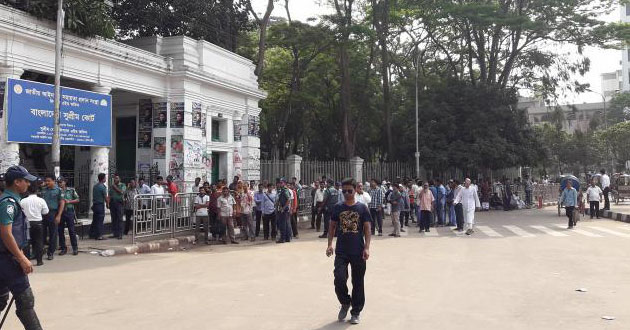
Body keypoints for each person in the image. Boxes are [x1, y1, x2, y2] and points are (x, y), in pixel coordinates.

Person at [0, 166, 44, 329]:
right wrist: (22, 258)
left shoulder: (11, 200)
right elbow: (6, 234)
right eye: (25, 180)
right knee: (25, 300)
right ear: (16, 182)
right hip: (8, 259)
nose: (27, 184)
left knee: (1, 298)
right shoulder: (8, 203)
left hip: (6, 258)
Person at [325, 178, 371, 325]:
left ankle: (356, 311)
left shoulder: (362, 208)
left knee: (358, 282)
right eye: (343, 191)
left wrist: (367, 247)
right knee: (339, 278)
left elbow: (367, 229)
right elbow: (331, 227)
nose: (346, 193)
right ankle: (345, 302)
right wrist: (330, 244)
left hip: (358, 250)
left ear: (355, 190)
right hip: (342, 251)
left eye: (349, 191)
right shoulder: (338, 207)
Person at [20, 183, 49, 266]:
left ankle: (27, 261)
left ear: (28, 191)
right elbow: (46, 212)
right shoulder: (41, 200)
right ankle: (39, 261)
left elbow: (20, 212)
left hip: (27, 223)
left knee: (27, 242)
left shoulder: (23, 201)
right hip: (38, 223)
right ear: (36, 191)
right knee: (39, 242)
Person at [41, 174, 64, 260]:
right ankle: (40, 251)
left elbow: (62, 203)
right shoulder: (43, 190)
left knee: (53, 234)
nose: (47, 182)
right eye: (46, 181)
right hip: (43, 214)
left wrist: (59, 215)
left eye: (49, 181)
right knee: (42, 233)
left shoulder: (58, 190)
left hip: (53, 213)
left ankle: (50, 252)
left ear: (54, 181)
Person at [57, 177, 79, 256]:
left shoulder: (71, 190)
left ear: (65, 182)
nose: (59, 183)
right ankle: (63, 248)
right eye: (58, 182)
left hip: (69, 212)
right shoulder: (57, 191)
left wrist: (69, 201)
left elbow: (77, 199)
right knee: (60, 231)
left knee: (72, 231)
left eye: (61, 182)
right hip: (60, 212)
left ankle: (75, 248)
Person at [90, 173, 108, 240]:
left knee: (95, 220)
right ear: (103, 179)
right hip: (100, 205)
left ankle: (91, 234)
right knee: (100, 220)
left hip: (95, 205)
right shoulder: (102, 187)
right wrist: (108, 204)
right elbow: (105, 197)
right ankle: (99, 235)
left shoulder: (95, 186)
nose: (105, 179)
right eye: (105, 178)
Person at [275, 178, 292, 243]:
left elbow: (288, 200)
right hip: (283, 209)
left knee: (283, 225)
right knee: (285, 224)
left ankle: (283, 238)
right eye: (280, 183)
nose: (280, 184)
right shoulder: (282, 190)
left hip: (284, 210)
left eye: (281, 183)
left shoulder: (285, 190)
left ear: (284, 183)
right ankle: (287, 238)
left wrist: (283, 208)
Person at [109, 175, 126, 240]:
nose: (115, 179)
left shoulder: (123, 185)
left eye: (116, 178)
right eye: (114, 178)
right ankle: (115, 233)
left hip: (119, 203)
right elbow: (110, 195)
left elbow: (122, 192)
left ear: (119, 179)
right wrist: (108, 203)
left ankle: (120, 234)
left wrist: (115, 187)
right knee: (113, 219)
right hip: (112, 203)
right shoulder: (112, 186)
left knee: (119, 219)